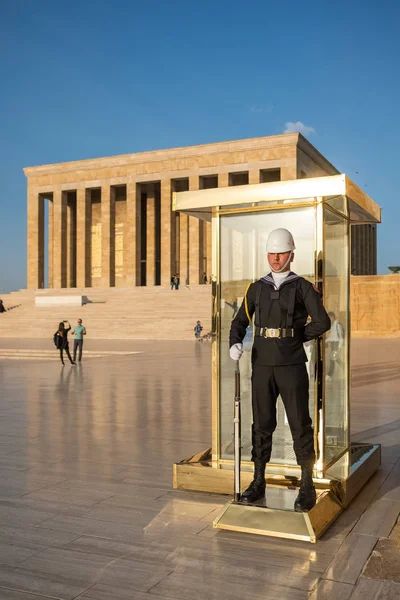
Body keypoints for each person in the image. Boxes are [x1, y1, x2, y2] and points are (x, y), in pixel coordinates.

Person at [229, 228, 331, 512]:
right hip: (261, 364)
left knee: (300, 424)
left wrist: (296, 337)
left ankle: (307, 483)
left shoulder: (302, 287)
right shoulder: (256, 288)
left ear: (291, 254)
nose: (276, 259)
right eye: (272, 254)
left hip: (291, 365)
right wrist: (234, 343)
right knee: (261, 425)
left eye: (282, 253)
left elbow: (322, 322)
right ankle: (258, 479)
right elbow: (239, 322)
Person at [326, 312, 344, 381]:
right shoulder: (332, 326)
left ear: (333, 317)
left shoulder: (337, 325)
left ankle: (329, 375)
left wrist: (340, 346)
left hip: (336, 344)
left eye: (331, 318)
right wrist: (325, 341)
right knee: (335, 359)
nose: (330, 319)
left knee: (333, 359)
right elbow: (332, 337)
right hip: (333, 344)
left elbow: (341, 337)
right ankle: (345, 367)